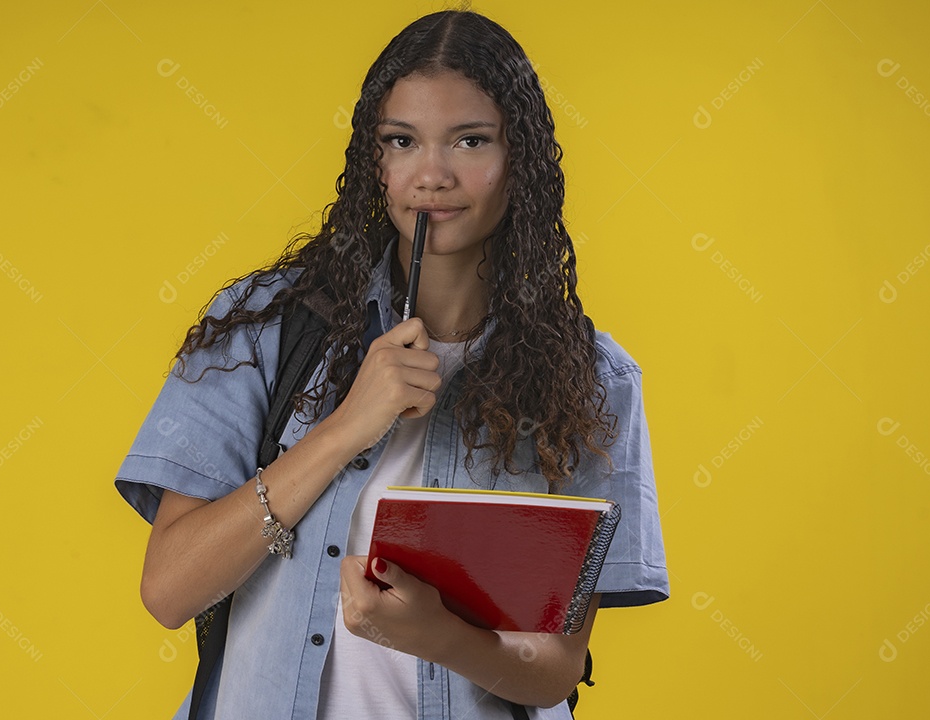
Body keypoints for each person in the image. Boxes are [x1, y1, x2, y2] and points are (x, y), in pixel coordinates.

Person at [115, 9, 668, 720]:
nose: (431, 175)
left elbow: (555, 669)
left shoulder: (591, 378)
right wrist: (347, 426)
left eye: (471, 140)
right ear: (375, 162)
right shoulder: (268, 328)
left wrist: (439, 637)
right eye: (402, 141)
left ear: (518, 159)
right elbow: (170, 589)